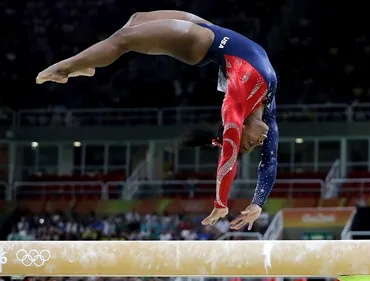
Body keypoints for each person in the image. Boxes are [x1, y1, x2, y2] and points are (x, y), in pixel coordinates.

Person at [36, 10, 279, 231]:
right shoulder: (268, 103)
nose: (260, 142)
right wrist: (258, 202)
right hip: (212, 30)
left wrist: (221, 202)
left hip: (200, 43)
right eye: (253, 145)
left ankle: (66, 68)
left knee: (123, 40)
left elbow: (229, 156)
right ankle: (88, 63)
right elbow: (270, 161)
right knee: (135, 19)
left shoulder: (235, 108)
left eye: (251, 145)